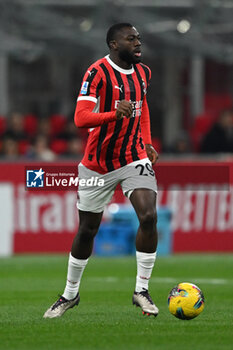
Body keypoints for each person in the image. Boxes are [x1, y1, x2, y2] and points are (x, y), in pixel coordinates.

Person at [43, 23, 159, 319]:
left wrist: (146, 141)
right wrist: (112, 114)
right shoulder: (97, 73)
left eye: (138, 38)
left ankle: (141, 291)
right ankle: (70, 295)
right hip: (97, 165)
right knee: (87, 230)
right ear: (113, 44)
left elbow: (142, 108)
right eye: (130, 38)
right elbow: (80, 118)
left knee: (148, 215)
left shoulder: (143, 73)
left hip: (133, 158)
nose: (137, 43)